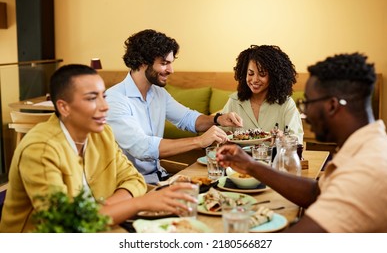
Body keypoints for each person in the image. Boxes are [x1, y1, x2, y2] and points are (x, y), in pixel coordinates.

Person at [0, 64, 196, 233]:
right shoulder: (41, 149)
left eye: (104, 96)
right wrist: (139, 204)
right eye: (92, 98)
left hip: (98, 227)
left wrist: (103, 209)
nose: (105, 106)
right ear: (64, 107)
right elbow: (65, 224)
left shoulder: (102, 134)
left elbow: (134, 179)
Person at [216, 53, 387, 232]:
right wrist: (251, 166)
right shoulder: (367, 147)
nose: (305, 113)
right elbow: (316, 192)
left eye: (307, 103)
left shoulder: (368, 170)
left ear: (331, 106)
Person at [106, 29, 243, 184]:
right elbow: (141, 148)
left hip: (160, 176)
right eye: (164, 63)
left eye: (170, 63)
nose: (171, 70)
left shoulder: (158, 93)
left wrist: (218, 119)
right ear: (143, 62)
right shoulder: (115, 99)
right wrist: (199, 141)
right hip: (133, 185)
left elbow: (187, 118)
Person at [221, 45, 303, 143]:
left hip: (274, 158)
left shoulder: (286, 104)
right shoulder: (234, 101)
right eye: (250, 74)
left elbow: (297, 140)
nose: (255, 80)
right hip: (239, 157)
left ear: (274, 76)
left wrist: (282, 139)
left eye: (262, 74)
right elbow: (220, 134)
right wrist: (224, 138)